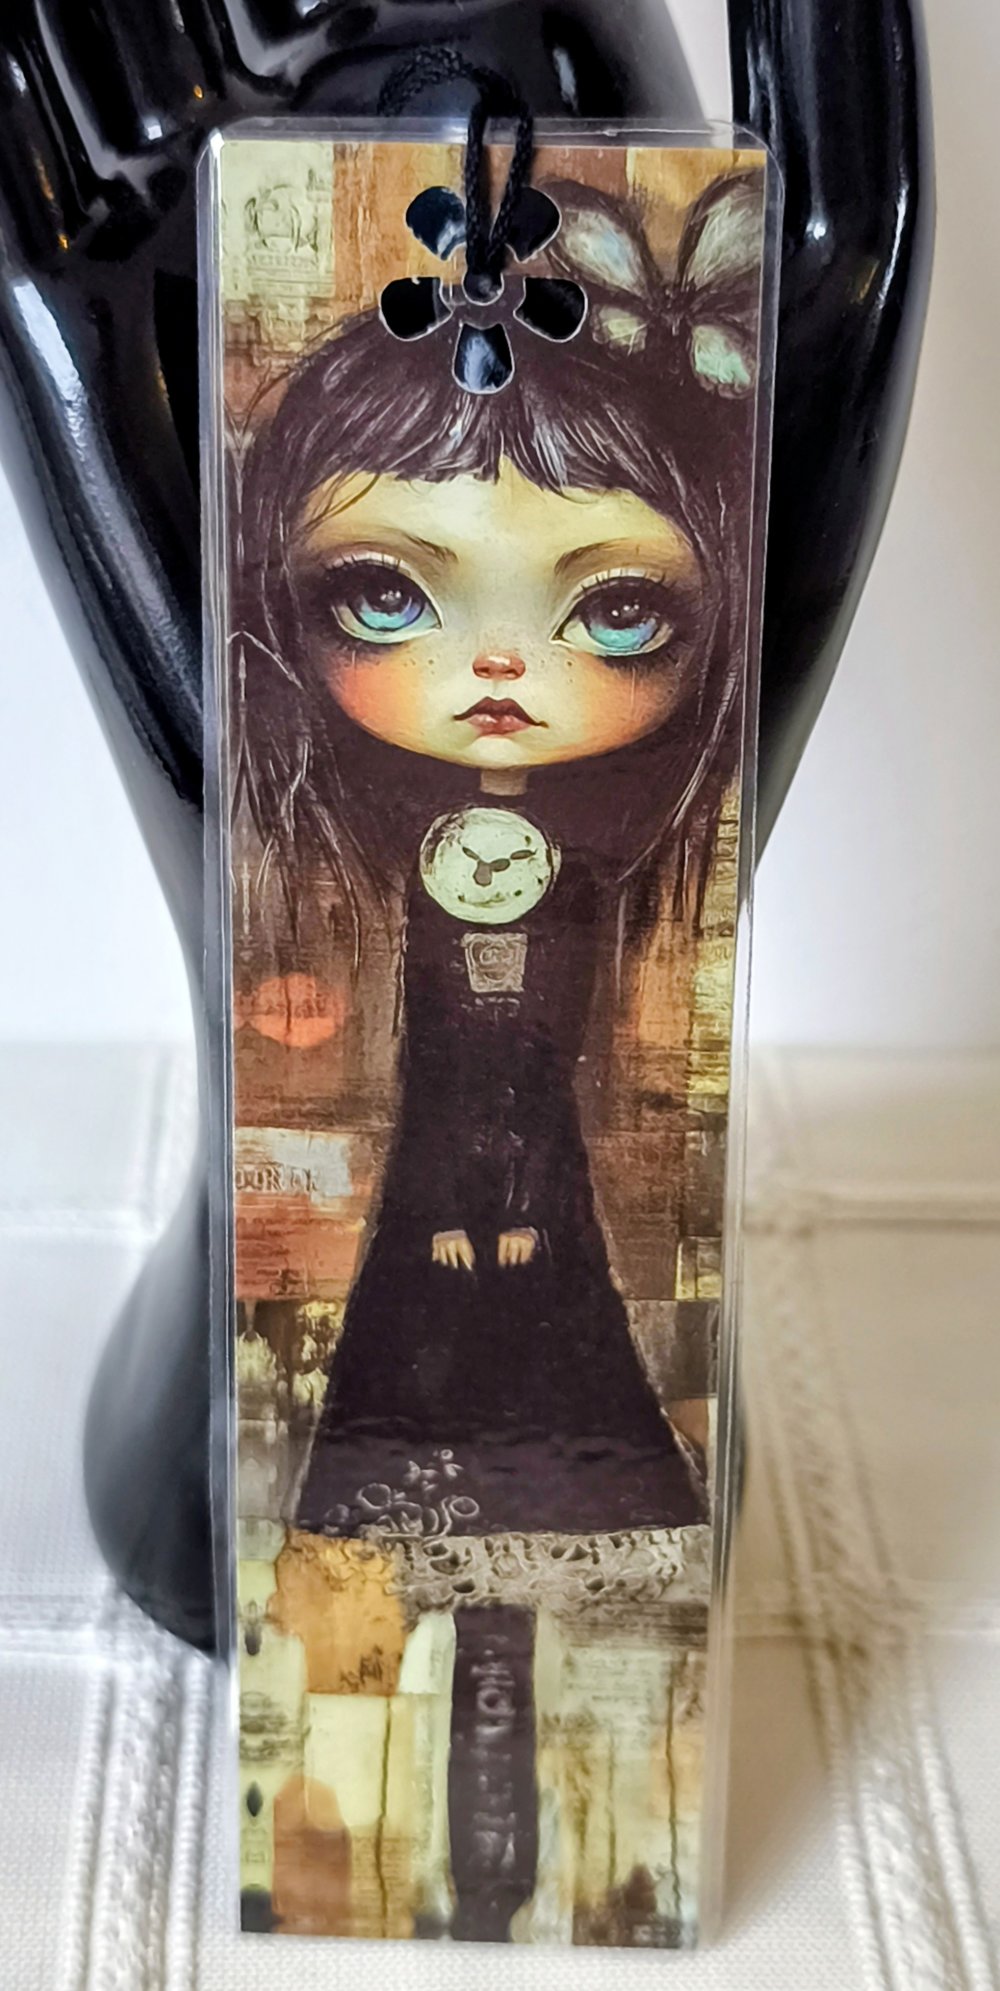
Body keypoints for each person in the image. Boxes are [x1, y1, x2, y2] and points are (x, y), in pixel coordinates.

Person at [234, 167, 763, 1549]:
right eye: (385, 593)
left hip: (543, 1154)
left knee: (555, 1294)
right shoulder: (354, 845)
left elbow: (552, 1050)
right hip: (432, 1149)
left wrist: (518, 1176)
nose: (499, 667)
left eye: (620, 608)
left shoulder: (615, 852)